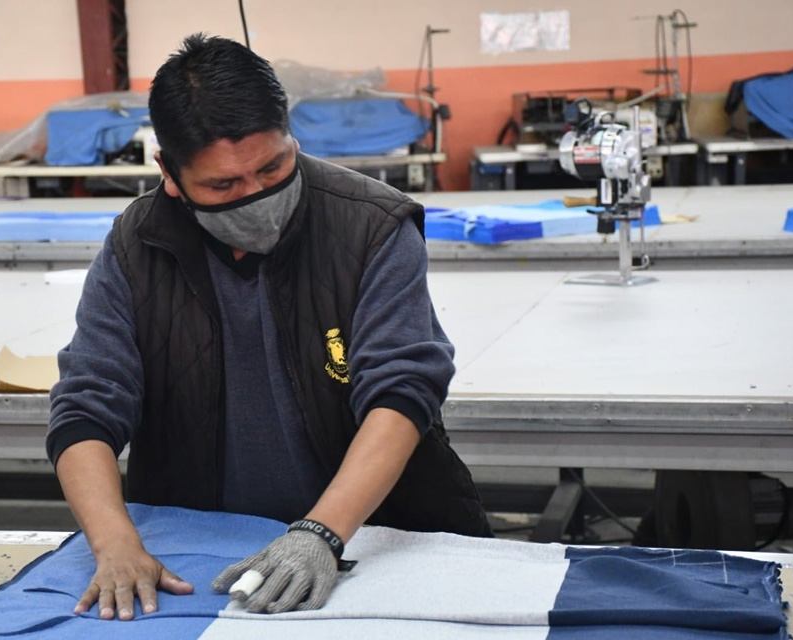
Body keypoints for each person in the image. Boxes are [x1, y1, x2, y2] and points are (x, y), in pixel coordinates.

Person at [48, 33, 490, 622]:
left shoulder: (371, 227)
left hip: (376, 537)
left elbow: (401, 392)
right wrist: (115, 543)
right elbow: (86, 405)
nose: (257, 196)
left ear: (290, 133)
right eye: (223, 186)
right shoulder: (138, 244)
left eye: (272, 167)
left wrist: (321, 534)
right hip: (204, 553)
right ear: (169, 172)